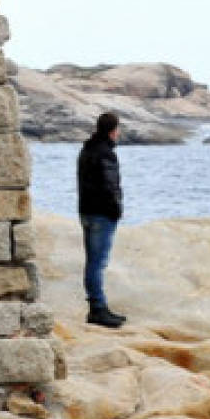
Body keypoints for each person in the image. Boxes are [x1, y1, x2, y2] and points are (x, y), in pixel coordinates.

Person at [77, 112, 126, 328]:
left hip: (86, 211)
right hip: (101, 214)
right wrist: (116, 210)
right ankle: (97, 309)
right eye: (118, 128)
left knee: (92, 262)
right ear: (113, 130)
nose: (119, 132)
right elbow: (110, 186)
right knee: (97, 263)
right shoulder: (107, 154)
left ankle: (97, 306)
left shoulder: (86, 150)